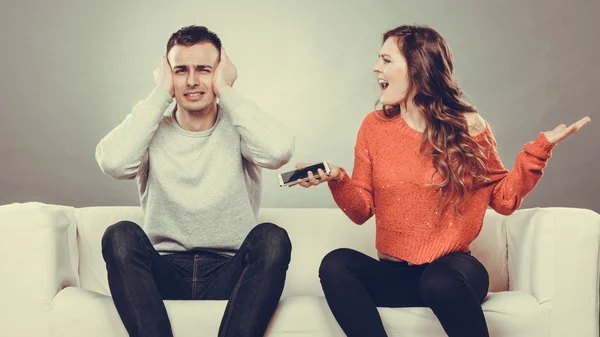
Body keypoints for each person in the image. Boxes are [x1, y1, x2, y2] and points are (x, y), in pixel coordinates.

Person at [291, 24, 590, 337]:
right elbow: (361, 210)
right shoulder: (374, 127)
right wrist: (337, 178)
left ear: (418, 68)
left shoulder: (468, 126)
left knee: (438, 280)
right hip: (398, 275)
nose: (376, 67)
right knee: (336, 265)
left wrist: (537, 153)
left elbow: (503, 200)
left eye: (387, 60)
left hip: (454, 272)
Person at [96, 25, 295, 337]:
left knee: (272, 238)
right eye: (180, 70)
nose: (191, 81)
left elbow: (279, 151)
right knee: (119, 235)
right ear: (167, 75)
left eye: (203, 70)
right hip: (165, 270)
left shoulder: (239, 128)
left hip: (229, 272)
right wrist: (159, 95)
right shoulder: (151, 130)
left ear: (220, 73)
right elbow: (113, 162)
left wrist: (228, 92)